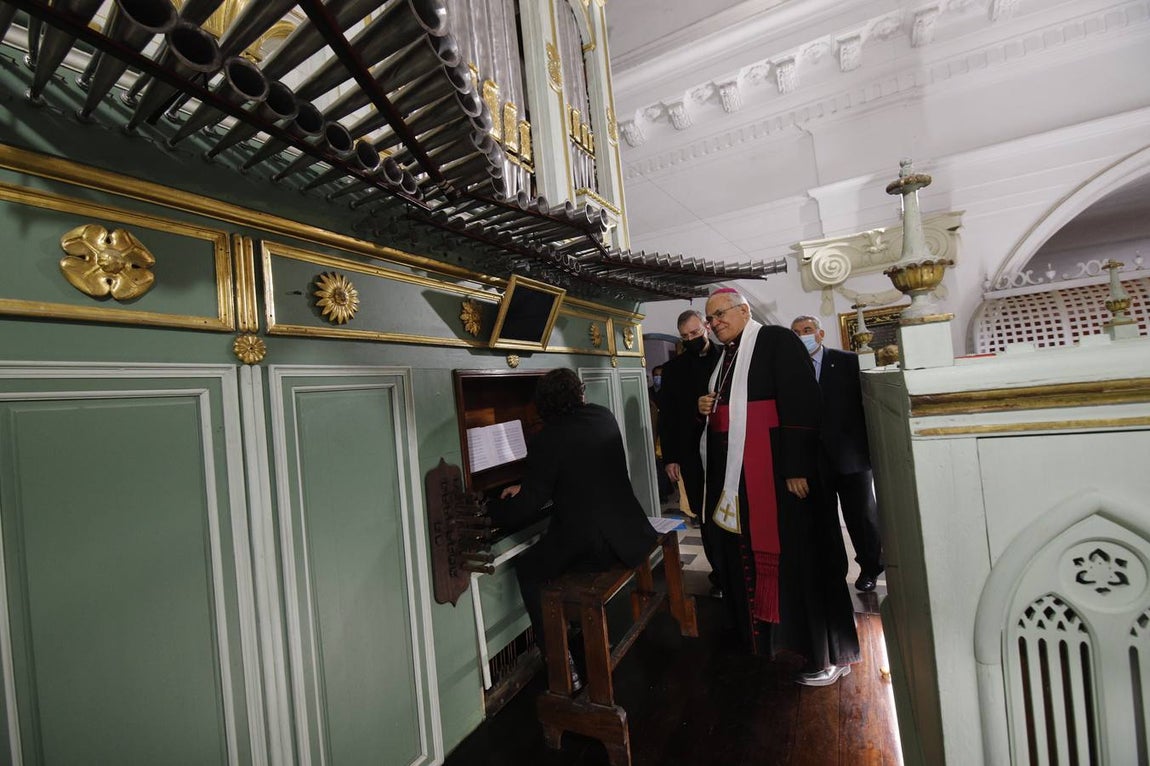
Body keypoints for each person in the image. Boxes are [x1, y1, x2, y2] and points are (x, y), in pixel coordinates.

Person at [698, 288, 859, 685]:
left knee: (803, 560)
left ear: (744, 310)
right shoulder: (727, 356)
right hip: (746, 479)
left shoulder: (774, 340)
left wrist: (797, 467)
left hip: (781, 476)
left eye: (720, 314)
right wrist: (708, 405)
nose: (715, 323)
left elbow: (802, 403)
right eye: (710, 318)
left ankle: (821, 653)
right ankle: (772, 641)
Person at [488, 367, 657, 682]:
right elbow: (578, 471)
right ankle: (576, 630)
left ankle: (561, 664)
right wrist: (533, 488)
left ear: (544, 405)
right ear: (578, 394)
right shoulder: (602, 416)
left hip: (594, 545)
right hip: (629, 529)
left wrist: (494, 509)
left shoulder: (548, 438)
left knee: (529, 571)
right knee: (552, 550)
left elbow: (528, 506)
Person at [791, 315, 884, 592]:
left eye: (807, 330)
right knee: (824, 520)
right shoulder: (791, 369)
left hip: (850, 455)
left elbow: (865, 404)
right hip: (814, 459)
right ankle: (834, 572)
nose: (802, 336)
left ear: (820, 334)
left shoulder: (847, 361)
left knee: (862, 517)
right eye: (795, 333)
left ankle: (870, 567)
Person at [657, 309, 722, 590]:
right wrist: (670, 457)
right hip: (693, 452)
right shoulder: (674, 370)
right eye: (685, 336)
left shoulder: (728, 357)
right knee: (706, 514)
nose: (691, 339)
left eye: (695, 333)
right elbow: (668, 417)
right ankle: (719, 570)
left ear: (706, 327)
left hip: (728, 449)